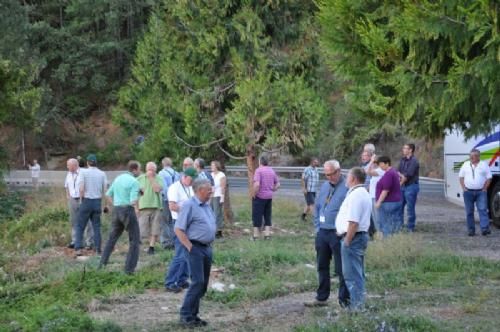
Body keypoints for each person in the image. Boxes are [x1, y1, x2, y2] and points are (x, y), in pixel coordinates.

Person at [304, 160, 350, 308]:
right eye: (326, 174)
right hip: (323, 233)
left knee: (341, 269)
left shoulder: (347, 187)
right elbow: (317, 207)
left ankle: (344, 301)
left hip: (338, 234)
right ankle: (322, 297)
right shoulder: (324, 186)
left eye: (331, 174)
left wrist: (343, 231)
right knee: (322, 265)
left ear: (339, 171)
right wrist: (318, 227)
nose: (329, 177)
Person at [176, 178, 216, 327]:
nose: (211, 191)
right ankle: (185, 316)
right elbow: (178, 229)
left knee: (203, 284)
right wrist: (190, 247)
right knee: (197, 282)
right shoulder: (189, 205)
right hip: (195, 248)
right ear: (200, 190)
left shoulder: (206, 205)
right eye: (208, 189)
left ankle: (194, 316)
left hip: (206, 248)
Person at [336, 167, 372, 311]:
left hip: (353, 238)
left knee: (352, 275)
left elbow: (353, 222)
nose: (346, 179)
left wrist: (347, 241)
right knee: (356, 273)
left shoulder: (357, 195)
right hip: (357, 237)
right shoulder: (361, 193)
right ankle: (357, 304)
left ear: (354, 179)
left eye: (348, 176)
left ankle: (357, 308)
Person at [100, 161, 141, 274]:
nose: (139, 171)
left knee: (111, 239)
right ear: (135, 169)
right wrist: (137, 210)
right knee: (134, 240)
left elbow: (108, 194)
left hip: (117, 210)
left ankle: (101, 265)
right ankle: (129, 270)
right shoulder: (134, 181)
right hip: (128, 210)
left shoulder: (118, 179)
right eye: (139, 169)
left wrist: (115, 204)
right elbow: (133, 200)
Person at [164, 167, 198, 292]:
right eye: (191, 179)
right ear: (184, 177)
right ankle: (170, 282)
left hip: (189, 223)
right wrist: (186, 211)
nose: (192, 182)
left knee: (188, 252)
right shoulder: (174, 188)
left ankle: (182, 279)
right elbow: (172, 206)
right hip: (179, 223)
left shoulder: (190, 187)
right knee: (180, 254)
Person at [75, 154, 108, 256]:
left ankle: (78, 248)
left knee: (80, 226)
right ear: (96, 162)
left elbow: (81, 188)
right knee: (97, 227)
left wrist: (81, 200)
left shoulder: (83, 172)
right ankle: (98, 249)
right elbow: (105, 190)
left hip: (86, 200)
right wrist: (106, 204)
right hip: (97, 201)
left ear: (88, 162)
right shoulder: (102, 174)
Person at [459, 149, 492, 236]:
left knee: (482, 210)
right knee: (469, 211)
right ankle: (471, 230)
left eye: (473, 156)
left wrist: (485, 188)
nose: (471, 157)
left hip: (481, 192)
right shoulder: (465, 165)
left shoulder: (484, 165)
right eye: (470, 156)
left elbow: (489, 177)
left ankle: (484, 229)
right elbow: (461, 177)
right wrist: (464, 188)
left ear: (478, 156)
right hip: (468, 192)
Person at [137, 162, 164, 255]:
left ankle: (151, 247)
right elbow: (135, 193)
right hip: (143, 207)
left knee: (155, 228)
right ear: (146, 169)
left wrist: (151, 178)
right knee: (143, 229)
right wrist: (135, 207)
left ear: (155, 170)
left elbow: (157, 189)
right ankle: (146, 245)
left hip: (156, 206)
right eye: (149, 169)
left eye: (152, 170)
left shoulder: (159, 178)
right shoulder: (140, 178)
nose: (150, 171)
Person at [252, 156, 280, 240]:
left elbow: (257, 184)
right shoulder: (271, 170)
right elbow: (278, 184)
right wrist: (272, 190)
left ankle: (255, 236)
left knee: (257, 215)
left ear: (260, 162)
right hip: (269, 196)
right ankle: (267, 235)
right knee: (267, 215)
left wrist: (254, 193)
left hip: (260, 196)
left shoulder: (258, 170)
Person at [375, 156, 403, 237]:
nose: (379, 166)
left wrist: (378, 203)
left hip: (389, 202)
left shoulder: (389, 174)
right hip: (395, 201)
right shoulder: (393, 172)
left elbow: (385, 190)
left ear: (387, 163)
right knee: (393, 223)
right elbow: (401, 179)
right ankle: (393, 240)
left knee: (386, 224)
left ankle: (387, 241)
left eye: (381, 164)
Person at [397, 143, 420, 231]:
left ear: (410, 150)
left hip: (411, 186)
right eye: (403, 148)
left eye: (405, 148)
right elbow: (398, 171)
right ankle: (399, 226)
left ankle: (410, 227)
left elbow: (408, 175)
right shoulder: (402, 160)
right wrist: (401, 178)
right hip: (403, 186)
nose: (403, 150)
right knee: (399, 207)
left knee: (410, 208)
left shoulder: (414, 161)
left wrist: (400, 183)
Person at [158, 157, 180, 249]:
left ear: (163, 164)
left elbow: (163, 188)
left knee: (164, 221)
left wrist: (164, 197)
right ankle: (175, 240)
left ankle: (166, 242)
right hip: (175, 200)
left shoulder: (162, 173)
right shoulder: (177, 173)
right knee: (173, 220)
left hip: (166, 199)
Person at [366, 155, 385, 231]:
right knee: (374, 217)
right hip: (372, 196)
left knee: (378, 217)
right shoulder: (376, 171)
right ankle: (379, 233)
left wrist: (371, 161)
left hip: (376, 197)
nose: (373, 164)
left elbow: (367, 171)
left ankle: (381, 233)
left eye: (374, 162)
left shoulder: (380, 171)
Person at [210, 160, 226, 238]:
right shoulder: (211, 175)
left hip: (218, 195)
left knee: (217, 213)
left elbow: (223, 186)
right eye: (211, 166)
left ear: (216, 166)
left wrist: (222, 197)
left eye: (213, 166)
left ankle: (219, 231)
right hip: (211, 196)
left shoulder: (221, 175)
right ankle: (212, 230)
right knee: (211, 213)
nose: (211, 167)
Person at [301, 157, 320, 222]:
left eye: (317, 162)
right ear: (311, 162)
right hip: (308, 190)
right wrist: (304, 188)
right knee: (312, 204)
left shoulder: (316, 169)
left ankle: (303, 216)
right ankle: (316, 219)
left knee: (308, 204)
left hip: (314, 190)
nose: (316, 163)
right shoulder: (307, 169)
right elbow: (303, 179)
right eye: (315, 162)